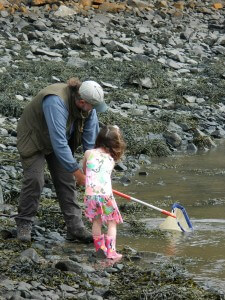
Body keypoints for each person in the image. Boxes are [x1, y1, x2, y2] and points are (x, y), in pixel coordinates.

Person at [15, 77, 107, 243]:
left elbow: (91, 145)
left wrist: (94, 173)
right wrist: (78, 174)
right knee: (35, 180)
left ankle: (75, 227)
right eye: (92, 106)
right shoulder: (55, 101)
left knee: (66, 180)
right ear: (80, 101)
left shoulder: (89, 109)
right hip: (34, 137)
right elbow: (58, 142)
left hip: (59, 140)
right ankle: (24, 223)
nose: (93, 110)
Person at [83, 125, 126, 259]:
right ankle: (111, 251)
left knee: (96, 221)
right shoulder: (111, 160)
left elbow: (85, 170)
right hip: (106, 196)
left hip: (90, 195)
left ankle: (99, 249)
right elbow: (106, 177)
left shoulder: (88, 153)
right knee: (112, 222)